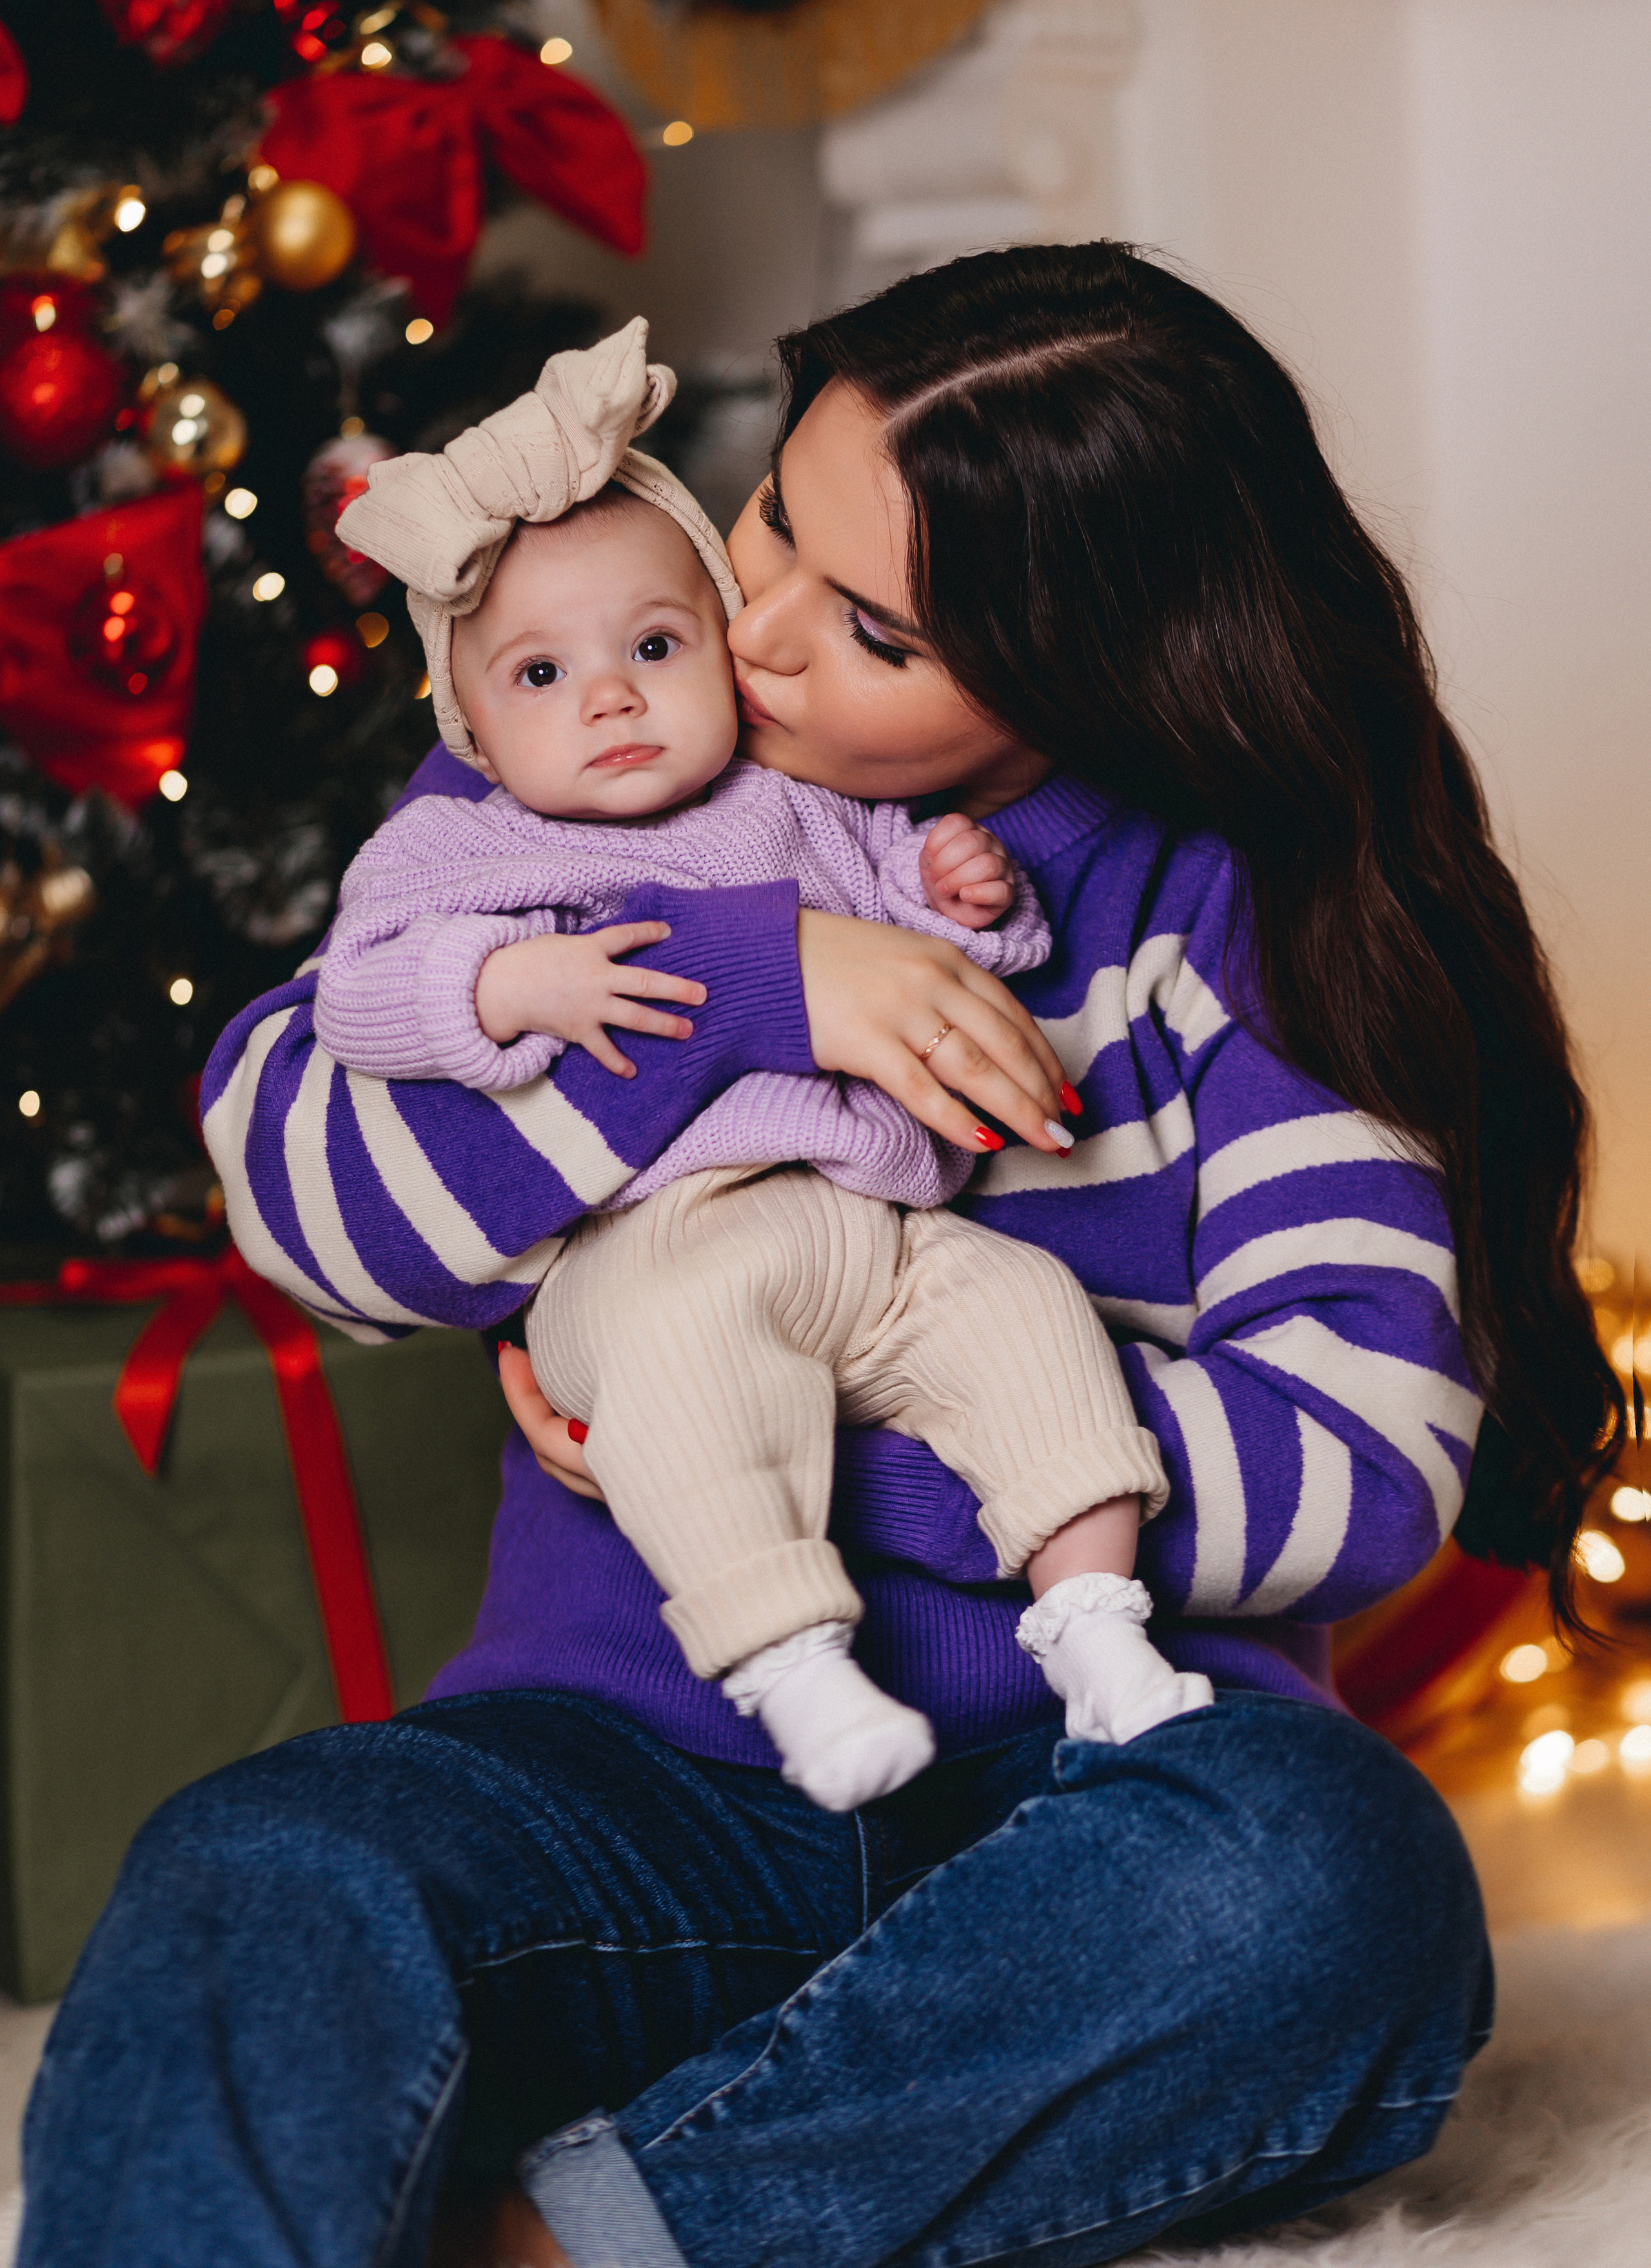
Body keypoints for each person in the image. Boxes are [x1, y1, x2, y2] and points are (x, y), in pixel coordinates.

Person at [20, 244, 1616, 2268]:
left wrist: (774, 1426)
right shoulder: (604, 760)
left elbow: (1365, 1453)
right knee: (261, 1864)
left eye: (867, 625)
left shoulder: (1246, 924)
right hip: (637, 1777)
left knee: (1333, 1883)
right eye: (773, 513)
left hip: (1083, 1810)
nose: (750, 635)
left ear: (1091, 670)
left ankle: (576, 2238)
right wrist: (753, 986)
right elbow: (300, 1183)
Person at [313, 319, 1201, 1808]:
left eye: (656, 646)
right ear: (467, 720)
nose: (608, 697)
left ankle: (1096, 1627)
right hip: (662, 1248)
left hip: (877, 1240)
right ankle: (794, 1666)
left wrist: (959, 895)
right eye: (539, 674)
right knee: (687, 1373)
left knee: (1030, 1315)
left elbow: (940, 971)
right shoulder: (469, 833)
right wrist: (512, 980)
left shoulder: (790, 796)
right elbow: (358, 997)